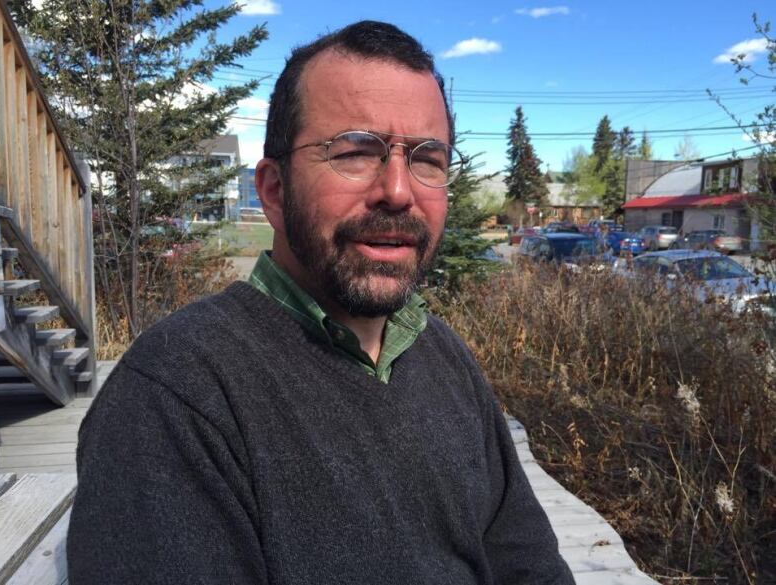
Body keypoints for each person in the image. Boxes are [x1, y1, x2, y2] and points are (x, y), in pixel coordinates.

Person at [68, 20, 574, 585]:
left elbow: (528, 562)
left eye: (427, 159)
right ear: (275, 192)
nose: (399, 191)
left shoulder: (440, 352)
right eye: (356, 152)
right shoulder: (177, 396)